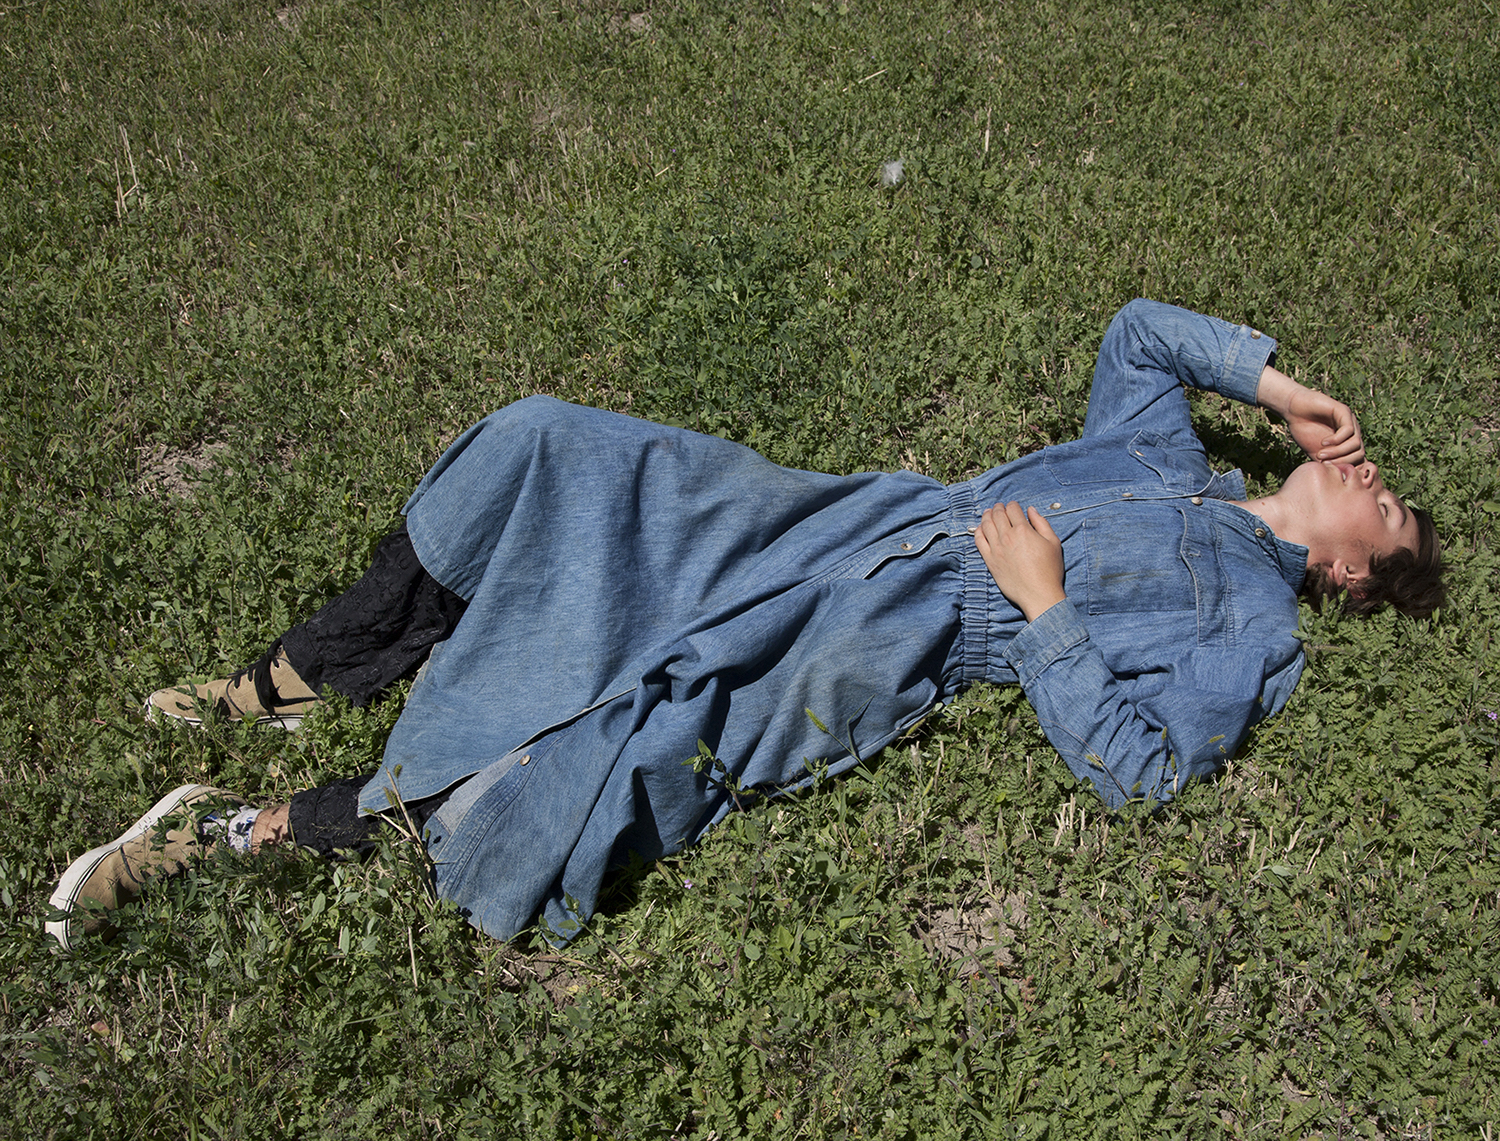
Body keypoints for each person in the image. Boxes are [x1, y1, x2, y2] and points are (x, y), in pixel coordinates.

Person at [46, 300, 1444, 951]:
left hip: (881, 639)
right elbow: (1141, 333)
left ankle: (224, 835)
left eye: (1397, 516)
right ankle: (287, 677)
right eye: (1378, 464)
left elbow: (1143, 766)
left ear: (1357, 582)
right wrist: (1269, 384)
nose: (1378, 473)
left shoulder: (1260, 640)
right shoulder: (1170, 458)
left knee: (566, 754)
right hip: (824, 518)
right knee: (551, 449)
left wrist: (1051, 612)